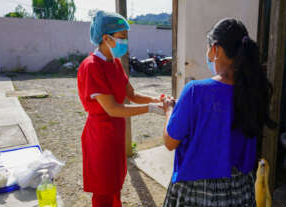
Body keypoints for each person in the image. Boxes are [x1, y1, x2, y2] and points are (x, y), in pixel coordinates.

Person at [161, 18, 276, 207]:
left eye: (208, 48)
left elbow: (170, 141)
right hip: (241, 190)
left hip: (197, 191)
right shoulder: (256, 90)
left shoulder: (195, 91)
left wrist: (169, 110)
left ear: (215, 49)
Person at [77, 10, 165, 207]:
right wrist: (150, 109)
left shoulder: (115, 63)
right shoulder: (92, 66)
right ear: (106, 38)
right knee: (103, 189)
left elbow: (132, 95)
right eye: (122, 37)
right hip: (100, 135)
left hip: (116, 133)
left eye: (126, 37)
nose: (125, 42)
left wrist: (158, 99)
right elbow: (113, 109)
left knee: (115, 183)